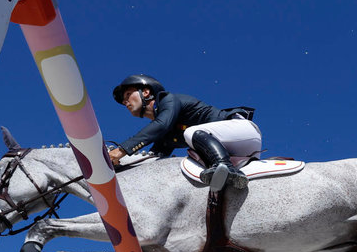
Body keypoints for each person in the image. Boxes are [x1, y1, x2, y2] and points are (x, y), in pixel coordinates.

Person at [108, 74, 259, 191]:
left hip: (242, 132)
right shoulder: (165, 133)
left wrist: (120, 151)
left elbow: (160, 125)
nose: (125, 102)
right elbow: (151, 161)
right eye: (123, 101)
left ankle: (225, 167)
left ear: (146, 92)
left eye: (128, 95)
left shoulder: (168, 100)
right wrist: (120, 167)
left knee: (192, 132)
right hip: (231, 149)